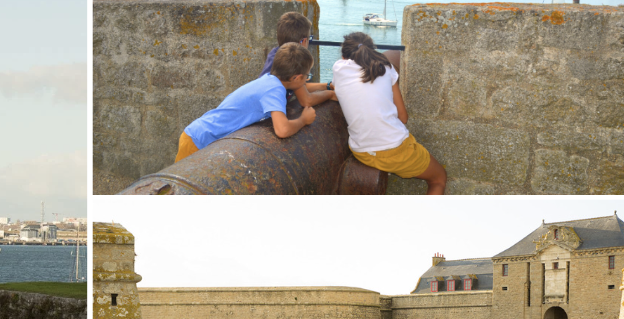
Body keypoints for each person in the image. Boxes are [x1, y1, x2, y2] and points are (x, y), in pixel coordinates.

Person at [332, 32, 447, 194]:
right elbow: (403, 118)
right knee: (439, 178)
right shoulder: (386, 68)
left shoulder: (338, 68)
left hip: (362, 151)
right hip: (395, 150)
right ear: (371, 51)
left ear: (344, 57)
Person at [176, 43, 321, 162]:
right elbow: (282, 130)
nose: (307, 79)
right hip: (198, 140)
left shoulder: (269, 80)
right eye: (307, 76)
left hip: (200, 135)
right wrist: (303, 120)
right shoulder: (274, 90)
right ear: (296, 78)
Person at [260, 11, 335, 108]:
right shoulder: (291, 62)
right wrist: (331, 94)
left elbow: (299, 86)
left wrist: (328, 86)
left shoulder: (276, 53)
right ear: (303, 42)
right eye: (309, 39)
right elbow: (306, 100)